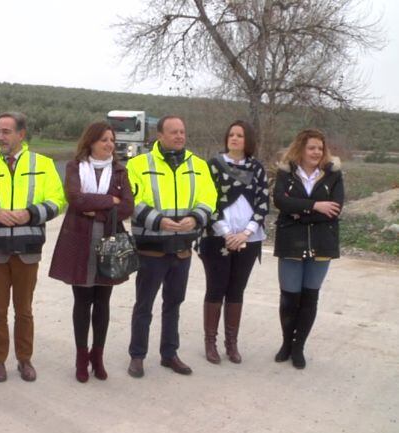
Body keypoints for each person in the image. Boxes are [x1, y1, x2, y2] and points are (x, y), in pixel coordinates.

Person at [0, 111, 66, 383]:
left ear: (21, 134)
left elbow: (59, 201)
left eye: (6, 132)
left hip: (28, 249)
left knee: (24, 310)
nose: (0, 137)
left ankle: (25, 359)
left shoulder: (44, 165)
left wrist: (31, 213)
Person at [126, 115, 217, 378]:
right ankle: (137, 355)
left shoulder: (198, 165)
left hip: (182, 248)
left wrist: (195, 218)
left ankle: (169, 354)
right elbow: (132, 199)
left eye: (182, 132)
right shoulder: (138, 164)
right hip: (151, 248)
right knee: (144, 305)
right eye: (174, 132)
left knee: (173, 303)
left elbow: (209, 198)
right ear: (160, 135)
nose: (179, 136)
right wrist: (159, 221)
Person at [48, 121, 134, 383]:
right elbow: (76, 199)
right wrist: (110, 201)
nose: (109, 144)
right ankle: (81, 357)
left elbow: (128, 207)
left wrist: (95, 208)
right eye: (104, 139)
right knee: (82, 302)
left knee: (103, 302)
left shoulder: (119, 171)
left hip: (109, 243)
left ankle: (98, 356)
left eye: (112, 140)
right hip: (79, 243)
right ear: (91, 142)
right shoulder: (75, 167)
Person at [197, 120, 269, 364]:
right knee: (216, 288)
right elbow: (208, 201)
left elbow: (263, 203)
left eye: (239, 135)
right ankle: (210, 343)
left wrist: (246, 233)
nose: (234, 138)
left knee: (236, 290)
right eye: (231, 135)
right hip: (218, 236)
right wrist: (226, 233)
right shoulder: (214, 166)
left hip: (248, 238)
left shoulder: (257, 169)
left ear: (248, 139)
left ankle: (232, 344)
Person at [273, 128, 343, 369]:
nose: (316, 152)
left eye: (320, 148)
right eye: (311, 147)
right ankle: (286, 343)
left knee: (309, 298)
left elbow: (334, 210)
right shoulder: (286, 172)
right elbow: (280, 202)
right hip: (291, 242)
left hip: (322, 243)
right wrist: (315, 206)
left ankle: (298, 347)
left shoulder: (333, 174)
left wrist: (298, 211)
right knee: (289, 298)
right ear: (301, 149)